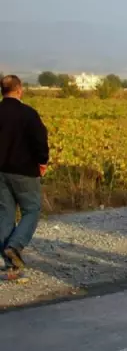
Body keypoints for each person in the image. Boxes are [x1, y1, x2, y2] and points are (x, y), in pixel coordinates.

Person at [0, 75, 49, 274]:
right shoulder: (28, 114)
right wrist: (42, 161)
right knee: (32, 209)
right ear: (19, 90)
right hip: (24, 172)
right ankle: (15, 246)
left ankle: (11, 265)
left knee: (5, 214)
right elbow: (40, 141)